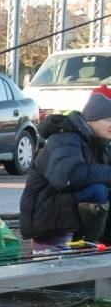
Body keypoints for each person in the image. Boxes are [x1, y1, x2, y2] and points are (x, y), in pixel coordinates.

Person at [20, 85, 111, 253]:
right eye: (108, 120)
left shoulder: (98, 142)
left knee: (103, 189)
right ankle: (72, 243)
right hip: (45, 209)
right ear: (91, 119)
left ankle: (101, 243)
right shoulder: (66, 138)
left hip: (63, 205)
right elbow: (68, 178)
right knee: (98, 191)